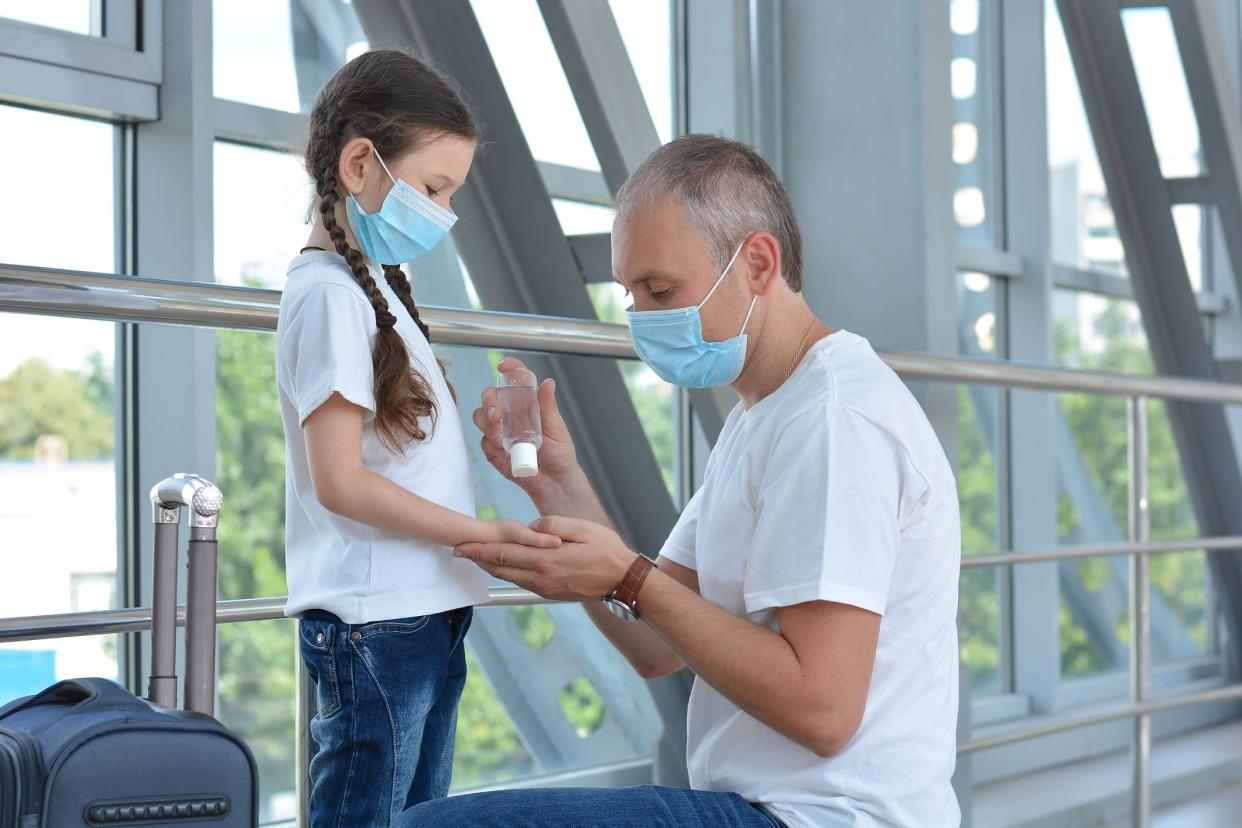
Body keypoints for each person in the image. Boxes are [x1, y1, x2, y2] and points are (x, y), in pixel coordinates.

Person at [403, 134, 962, 827]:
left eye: (660, 289)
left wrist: (627, 578)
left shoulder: (833, 422)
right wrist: (558, 487)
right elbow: (654, 645)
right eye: (631, 293)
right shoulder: (763, 416)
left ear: (757, 262)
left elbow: (824, 711)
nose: (640, 317)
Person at [274, 50, 560, 827]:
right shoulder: (330, 298)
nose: (441, 212)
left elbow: (388, 454)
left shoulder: (375, 293)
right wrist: (478, 535)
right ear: (360, 162)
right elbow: (339, 482)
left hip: (419, 614)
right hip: (379, 626)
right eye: (434, 189)